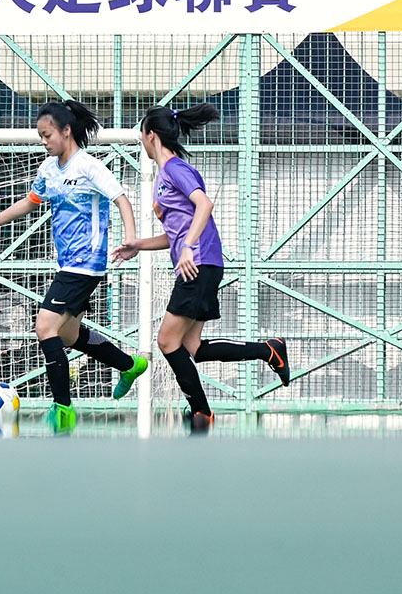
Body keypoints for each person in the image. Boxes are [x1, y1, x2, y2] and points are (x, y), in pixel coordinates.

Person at [0, 100, 148, 432]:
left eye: (47, 135)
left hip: (86, 262)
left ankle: (63, 409)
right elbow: (30, 202)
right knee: (67, 334)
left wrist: (131, 239)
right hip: (67, 263)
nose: (44, 141)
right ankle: (129, 365)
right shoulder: (48, 170)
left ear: (66, 131)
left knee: (44, 327)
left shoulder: (89, 167)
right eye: (40, 136)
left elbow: (121, 200)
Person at [112, 104, 289, 431]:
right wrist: (138, 245)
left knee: (167, 342)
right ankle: (269, 350)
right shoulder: (164, 177)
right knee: (192, 347)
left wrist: (188, 248)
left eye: (141, 134)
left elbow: (204, 204)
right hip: (199, 263)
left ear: (151, 135)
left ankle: (201, 412)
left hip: (199, 263)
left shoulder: (175, 169)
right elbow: (175, 234)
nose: (141, 140)